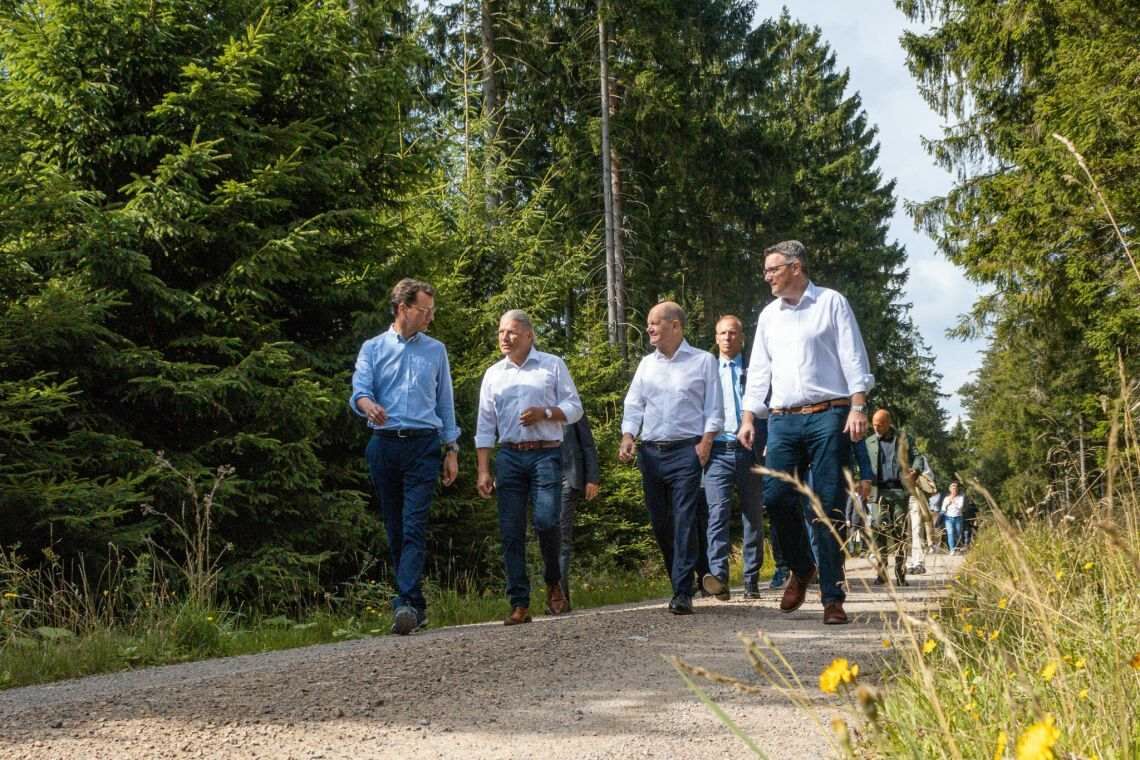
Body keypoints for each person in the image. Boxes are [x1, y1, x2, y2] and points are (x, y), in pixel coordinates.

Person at [737, 240, 874, 625]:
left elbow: (852, 355)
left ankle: (833, 597)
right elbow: (759, 370)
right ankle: (802, 567)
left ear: (796, 267)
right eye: (766, 271)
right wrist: (749, 418)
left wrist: (858, 405)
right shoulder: (768, 316)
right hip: (782, 418)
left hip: (830, 415)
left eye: (773, 270)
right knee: (777, 497)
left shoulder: (831, 303)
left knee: (827, 504)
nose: (767, 277)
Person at [349, 278, 460, 636]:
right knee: (395, 527)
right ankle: (415, 604)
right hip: (383, 445)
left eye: (432, 312)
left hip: (423, 445)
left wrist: (452, 449)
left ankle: (405, 603)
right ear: (402, 309)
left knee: (414, 524)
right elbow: (359, 392)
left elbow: (445, 403)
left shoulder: (436, 350)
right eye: (424, 311)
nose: (430, 318)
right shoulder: (373, 348)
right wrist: (368, 406)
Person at [475, 310, 584, 625]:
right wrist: (484, 469)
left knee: (546, 520)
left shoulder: (552, 365)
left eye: (510, 332)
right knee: (510, 530)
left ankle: (553, 581)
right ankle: (519, 603)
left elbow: (574, 408)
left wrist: (545, 413)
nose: (504, 338)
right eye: (500, 332)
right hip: (509, 456)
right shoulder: (493, 374)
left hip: (546, 453)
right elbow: (485, 425)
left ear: (528, 335)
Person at [619, 302, 723, 615]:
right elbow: (634, 404)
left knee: (683, 520)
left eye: (655, 323)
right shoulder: (646, 365)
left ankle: (681, 592)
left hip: (686, 452)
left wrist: (706, 441)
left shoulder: (704, 361)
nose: (649, 328)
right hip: (651, 453)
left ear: (675, 325)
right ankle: (686, 578)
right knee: (660, 524)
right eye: (649, 323)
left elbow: (714, 408)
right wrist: (627, 437)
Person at [701, 315, 766, 601]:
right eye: (722, 333)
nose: (727, 337)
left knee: (753, 516)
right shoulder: (706, 372)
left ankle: (751, 580)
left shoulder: (755, 372)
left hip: (750, 451)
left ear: (742, 338)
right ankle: (720, 579)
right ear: (716, 338)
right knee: (717, 515)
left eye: (733, 333)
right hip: (717, 452)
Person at [860, 409, 934, 585]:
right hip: (878, 493)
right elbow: (861, 463)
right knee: (878, 530)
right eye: (874, 424)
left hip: (900, 491)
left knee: (900, 532)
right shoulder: (869, 442)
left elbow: (917, 457)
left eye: (879, 424)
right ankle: (882, 572)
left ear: (888, 423)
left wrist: (915, 470)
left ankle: (901, 574)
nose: (876, 427)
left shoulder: (903, 439)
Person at [557, 414, 600, 611]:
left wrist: (592, 478)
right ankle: (556, 595)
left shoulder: (571, 405)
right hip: (540, 476)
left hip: (568, 477)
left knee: (561, 538)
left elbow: (587, 443)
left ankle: (560, 599)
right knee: (547, 535)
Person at [942, 481, 966, 552]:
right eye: (953, 488)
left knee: (958, 533)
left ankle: (958, 548)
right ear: (950, 489)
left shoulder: (960, 497)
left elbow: (960, 507)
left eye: (955, 488)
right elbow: (943, 509)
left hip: (958, 517)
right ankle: (952, 550)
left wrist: (953, 501)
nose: (954, 489)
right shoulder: (946, 498)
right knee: (950, 533)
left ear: (957, 489)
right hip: (948, 518)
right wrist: (948, 503)